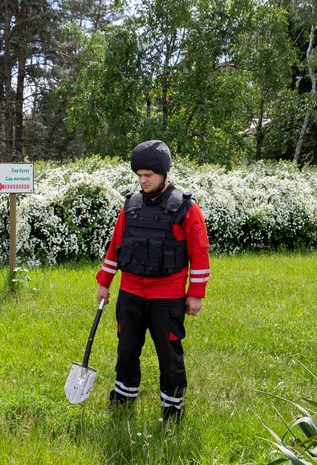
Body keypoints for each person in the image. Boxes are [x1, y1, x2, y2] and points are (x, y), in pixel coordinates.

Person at [94, 140, 211, 422]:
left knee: (169, 355)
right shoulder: (130, 205)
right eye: (139, 175)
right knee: (127, 351)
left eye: (148, 175)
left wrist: (195, 293)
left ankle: (172, 409)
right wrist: (104, 282)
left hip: (167, 298)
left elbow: (200, 252)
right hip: (131, 294)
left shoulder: (186, 207)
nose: (143, 180)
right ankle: (122, 399)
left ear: (164, 174)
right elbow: (115, 246)